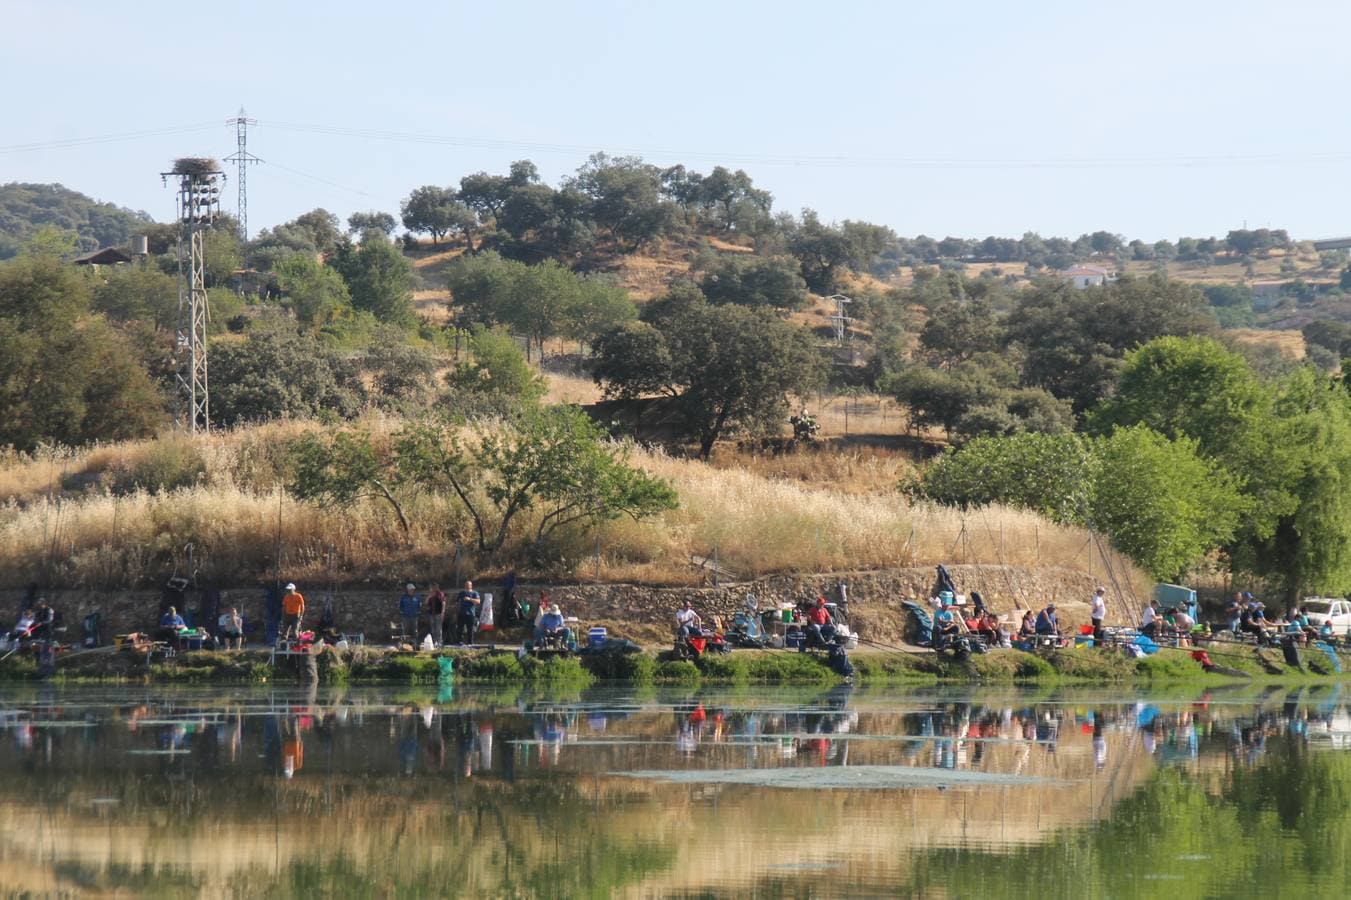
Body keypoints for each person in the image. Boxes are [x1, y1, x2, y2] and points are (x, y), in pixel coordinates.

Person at [454, 580, 481, 645]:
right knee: (460, 628)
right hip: (462, 613)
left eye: (468, 585)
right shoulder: (462, 593)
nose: (466, 586)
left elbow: (478, 601)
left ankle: (470, 642)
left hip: (470, 613)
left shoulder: (475, 593)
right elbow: (457, 602)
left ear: (471, 586)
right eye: (465, 585)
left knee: (470, 629)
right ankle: (459, 641)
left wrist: (470, 599)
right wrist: (456, 609)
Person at [425, 583, 447, 648]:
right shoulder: (430, 595)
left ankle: (439, 642)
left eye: (434, 587)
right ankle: (434, 642)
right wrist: (429, 596)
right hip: (431, 614)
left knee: (438, 628)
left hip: (438, 613)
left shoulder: (440, 594)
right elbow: (426, 602)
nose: (433, 588)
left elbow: (443, 603)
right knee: (432, 629)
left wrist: (443, 612)